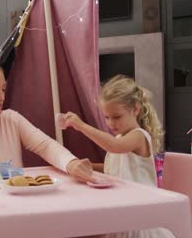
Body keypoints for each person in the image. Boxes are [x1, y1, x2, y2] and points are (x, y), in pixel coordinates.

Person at [60, 75, 174, 238]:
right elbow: (114, 167)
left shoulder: (138, 136)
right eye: (106, 117)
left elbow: (115, 147)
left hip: (139, 218)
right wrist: (89, 166)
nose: (111, 123)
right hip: (122, 211)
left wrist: (81, 126)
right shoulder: (120, 139)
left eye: (116, 117)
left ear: (135, 109)